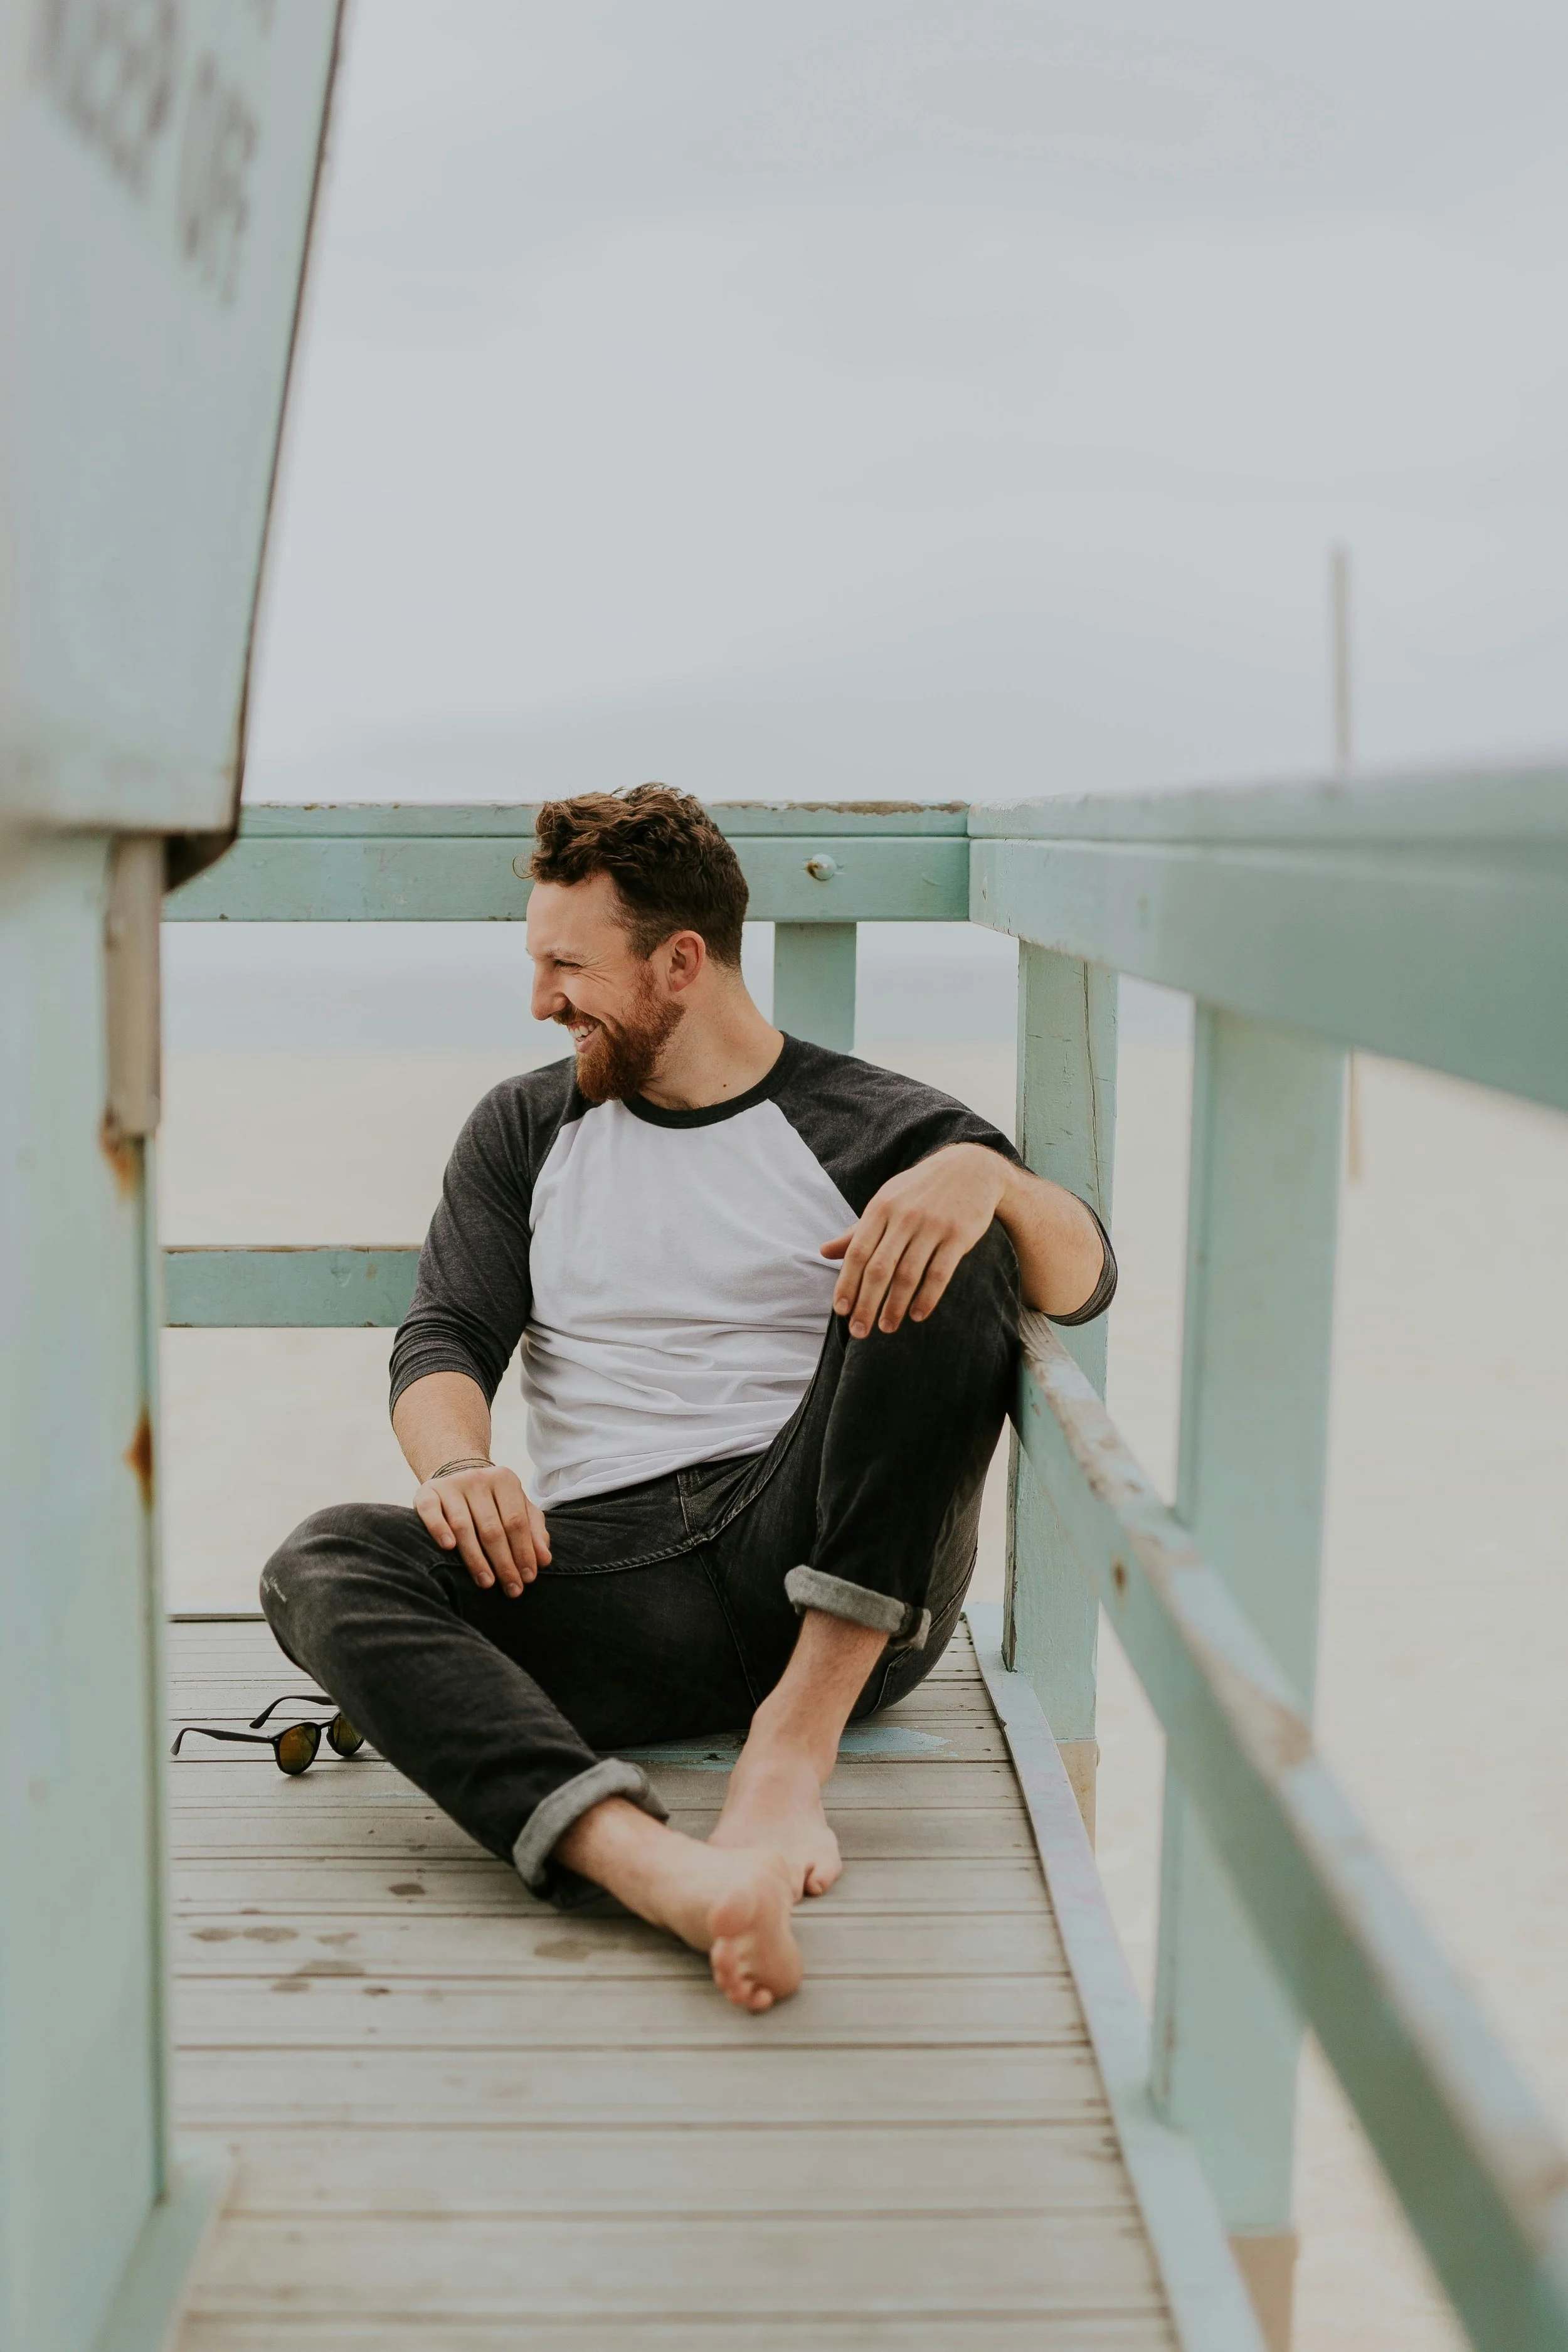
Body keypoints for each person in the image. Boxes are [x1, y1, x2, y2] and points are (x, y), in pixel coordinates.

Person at [260, 787, 1115, 2011]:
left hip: (828, 1554)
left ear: (678, 962)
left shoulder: (873, 1124)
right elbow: (443, 1335)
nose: (541, 999)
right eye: (534, 962)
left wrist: (981, 1175)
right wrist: (457, 1470)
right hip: (610, 1576)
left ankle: (789, 1751)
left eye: (567, 964)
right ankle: (656, 1869)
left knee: (959, 1233)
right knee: (322, 1560)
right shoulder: (522, 1129)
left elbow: (1080, 1281)